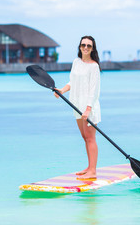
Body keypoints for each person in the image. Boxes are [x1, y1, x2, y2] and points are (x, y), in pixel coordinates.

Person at [54, 36, 101, 180]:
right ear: (80, 47)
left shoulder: (94, 66)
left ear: (92, 49)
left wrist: (88, 109)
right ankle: (89, 167)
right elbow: (72, 81)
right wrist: (62, 90)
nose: (86, 47)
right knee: (84, 137)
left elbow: (93, 90)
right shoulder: (76, 62)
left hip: (89, 108)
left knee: (90, 138)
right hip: (76, 105)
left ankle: (93, 171)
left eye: (89, 46)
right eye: (83, 45)